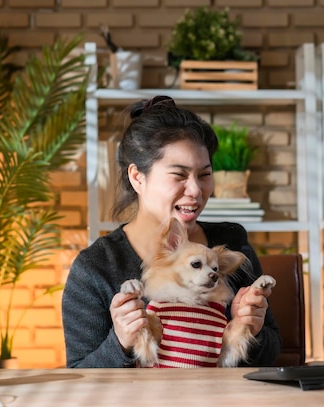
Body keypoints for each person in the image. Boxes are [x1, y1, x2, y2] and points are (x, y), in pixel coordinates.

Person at [62, 95, 282, 368]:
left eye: (204, 175)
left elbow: (273, 351)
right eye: (179, 175)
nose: (196, 190)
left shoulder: (230, 243)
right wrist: (120, 341)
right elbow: (81, 375)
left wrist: (252, 326)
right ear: (137, 177)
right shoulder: (96, 267)